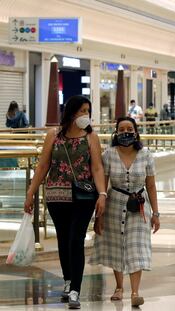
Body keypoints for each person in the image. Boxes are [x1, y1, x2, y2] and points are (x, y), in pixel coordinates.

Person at [23, 95, 106, 309]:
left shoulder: (91, 137)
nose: (85, 115)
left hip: (84, 196)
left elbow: (97, 168)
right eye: (81, 111)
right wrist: (31, 192)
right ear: (71, 112)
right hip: (56, 195)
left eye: (88, 110)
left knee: (76, 240)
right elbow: (42, 166)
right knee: (63, 239)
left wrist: (103, 194)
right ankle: (68, 280)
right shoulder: (53, 135)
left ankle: (75, 290)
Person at [90, 116, 160, 308]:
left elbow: (151, 185)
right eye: (121, 129)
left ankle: (135, 292)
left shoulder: (146, 154)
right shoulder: (109, 154)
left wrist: (156, 213)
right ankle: (119, 287)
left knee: (136, 246)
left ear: (136, 132)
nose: (126, 132)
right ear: (116, 133)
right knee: (117, 245)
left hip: (139, 206)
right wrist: (99, 215)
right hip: (114, 203)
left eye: (129, 128)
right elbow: (102, 184)